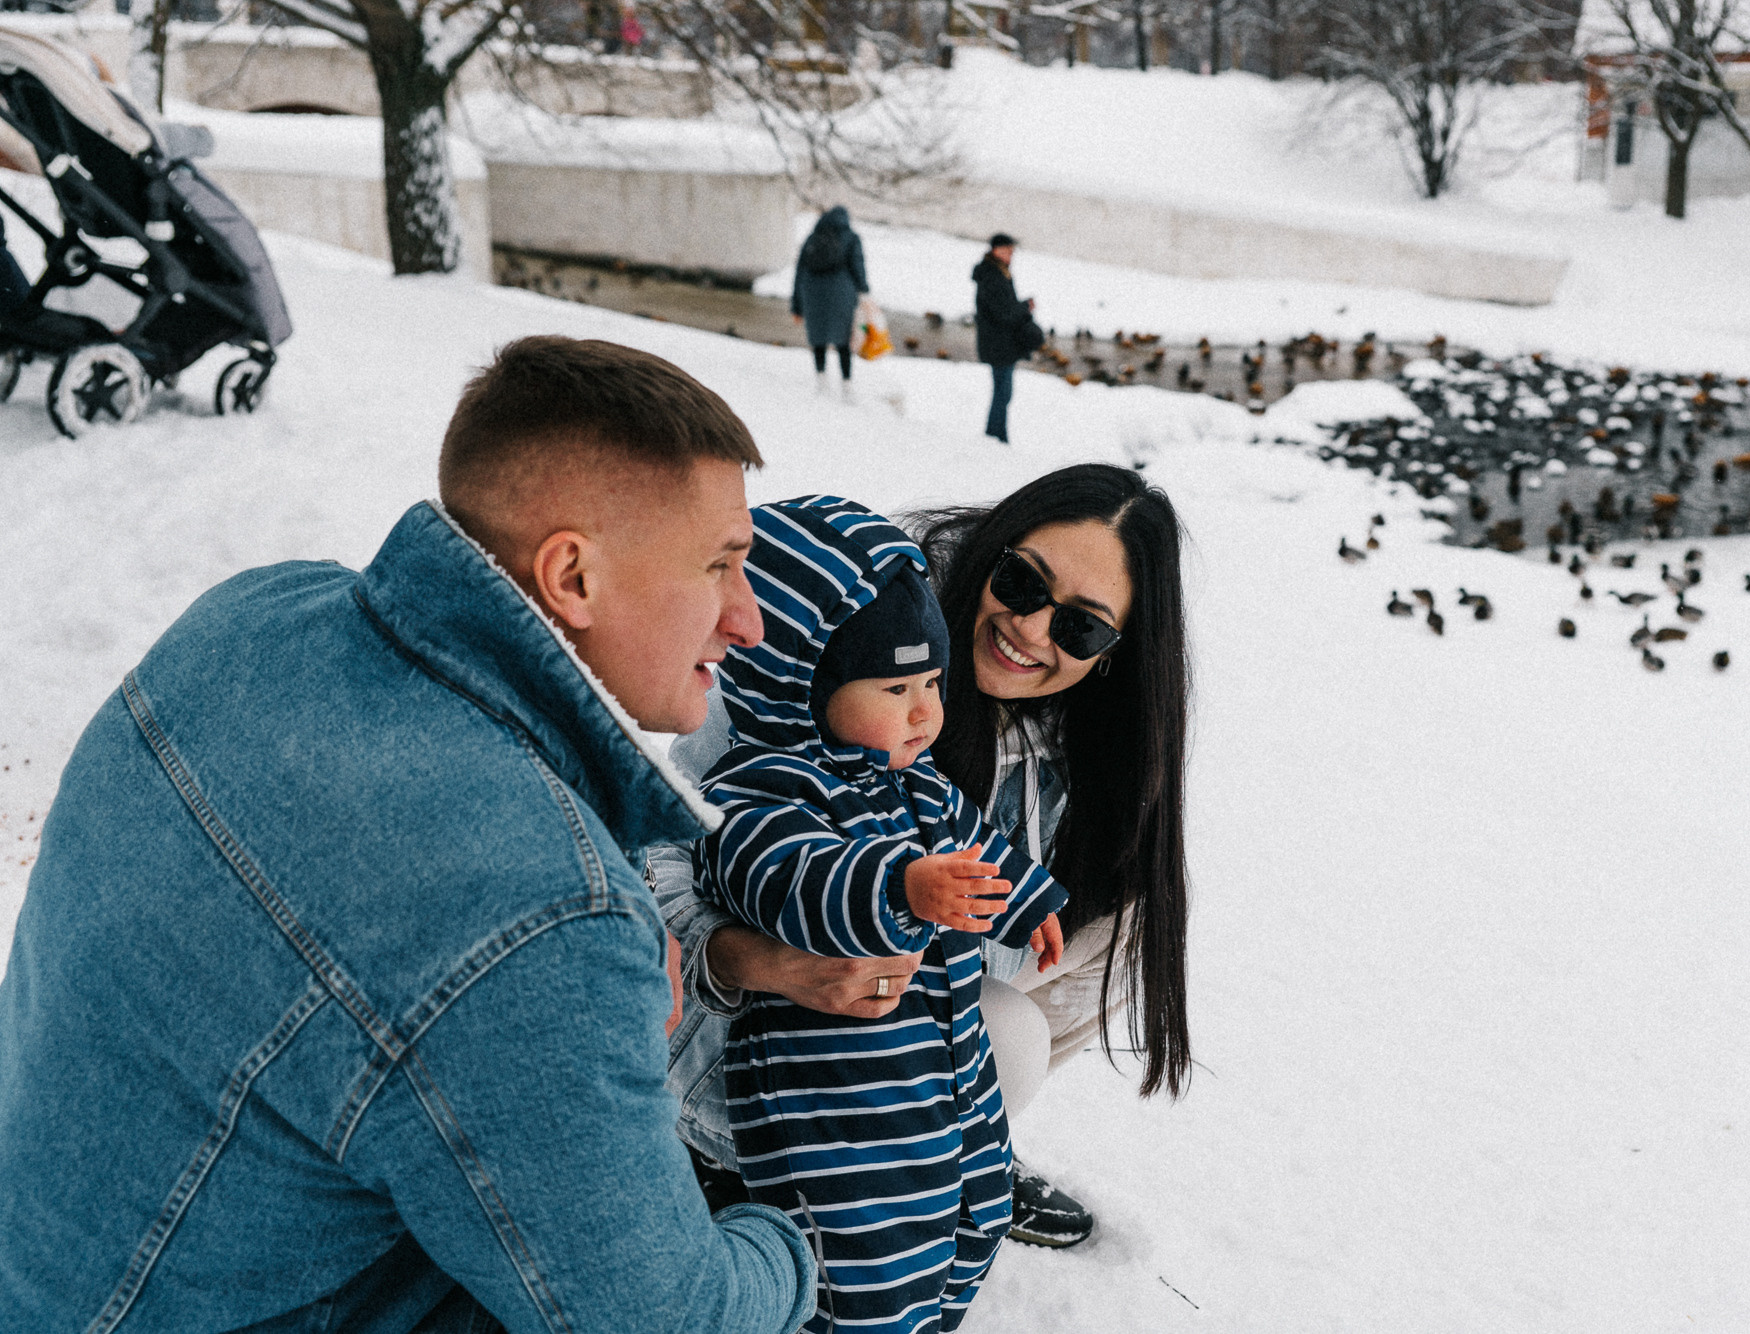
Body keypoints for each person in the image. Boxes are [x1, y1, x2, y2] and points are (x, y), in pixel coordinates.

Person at [0, 336, 817, 1332]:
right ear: (573, 577)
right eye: (719, 565)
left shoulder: (256, 612)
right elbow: (664, 1317)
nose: (749, 618)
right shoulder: (539, 907)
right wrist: (791, 1246)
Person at [657, 463, 1192, 1251]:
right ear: (990, 554)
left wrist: (987, 909)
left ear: (1114, 651)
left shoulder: (1073, 738)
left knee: (1125, 920)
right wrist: (765, 962)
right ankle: (730, 1160)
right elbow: (656, 851)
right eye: (1021, 584)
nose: (1033, 632)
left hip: (889, 997)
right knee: (1008, 1033)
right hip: (741, 1021)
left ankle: (952, 1147)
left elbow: (1008, 919)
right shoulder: (834, 633)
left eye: (1081, 627)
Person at [694, 496, 1069, 1333]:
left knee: (964, 1223)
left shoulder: (915, 784)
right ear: (802, 685)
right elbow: (787, 878)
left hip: (946, 1069)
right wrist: (900, 889)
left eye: (931, 683)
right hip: (833, 1102)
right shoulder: (762, 787)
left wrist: (1025, 895)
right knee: (860, 1267)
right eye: (895, 686)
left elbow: (976, 844)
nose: (924, 710)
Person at [791, 206, 868, 401]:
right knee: (843, 340)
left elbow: (799, 272)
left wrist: (797, 306)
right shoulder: (851, 237)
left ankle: (821, 379)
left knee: (818, 337)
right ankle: (847, 384)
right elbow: (857, 265)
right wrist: (864, 290)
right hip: (841, 293)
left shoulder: (812, 237)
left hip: (812, 292)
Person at [971, 233, 1042, 443]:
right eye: (1006, 250)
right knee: (1003, 392)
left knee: (1003, 392)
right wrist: (1024, 307)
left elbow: (1003, 308)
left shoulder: (998, 273)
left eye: (1012, 251)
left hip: (999, 342)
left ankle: (996, 434)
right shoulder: (993, 276)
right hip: (998, 343)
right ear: (995, 250)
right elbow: (1003, 314)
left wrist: (1020, 306)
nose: (1010, 255)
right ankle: (995, 436)